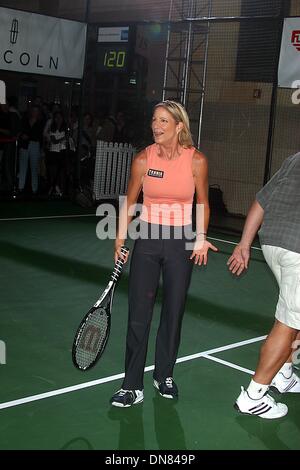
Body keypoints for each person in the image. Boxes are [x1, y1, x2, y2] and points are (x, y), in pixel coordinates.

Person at [110, 100, 217, 407]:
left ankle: (163, 374)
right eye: (154, 120)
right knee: (138, 314)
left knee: (173, 310)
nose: (156, 126)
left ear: (179, 126)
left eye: (163, 121)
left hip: (181, 240)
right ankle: (131, 385)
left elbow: (203, 204)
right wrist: (119, 240)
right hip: (147, 239)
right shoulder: (143, 159)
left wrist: (200, 237)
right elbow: (129, 203)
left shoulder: (196, 161)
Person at [228, 152, 300, 419]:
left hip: (271, 242)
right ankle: (253, 396)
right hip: (297, 250)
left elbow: (261, 201)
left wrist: (244, 244)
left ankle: (284, 374)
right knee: (289, 321)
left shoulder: (295, 159)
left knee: (295, 313)